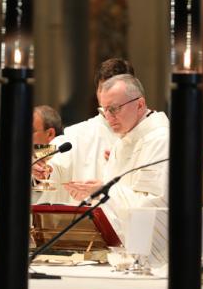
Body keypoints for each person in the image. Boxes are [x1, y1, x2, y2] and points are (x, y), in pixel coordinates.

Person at [64, 74, 170, 264]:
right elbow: (118, 198)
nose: (108, 117)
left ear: (139, 104)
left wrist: (104, 191)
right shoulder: (122, 143)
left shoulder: (160, 140)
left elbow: (154, 206)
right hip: (122, 255)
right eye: (104, 110)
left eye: (114, 109)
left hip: (156, 261)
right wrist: (94, 195)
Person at [33, 58, 135, 204]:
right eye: (104, 88)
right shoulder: (77, 133)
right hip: (83, 217)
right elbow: (50, 165)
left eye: (115, 88)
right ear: (97, 92)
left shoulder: (148, 134)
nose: (110, 95)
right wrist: (41, 170)